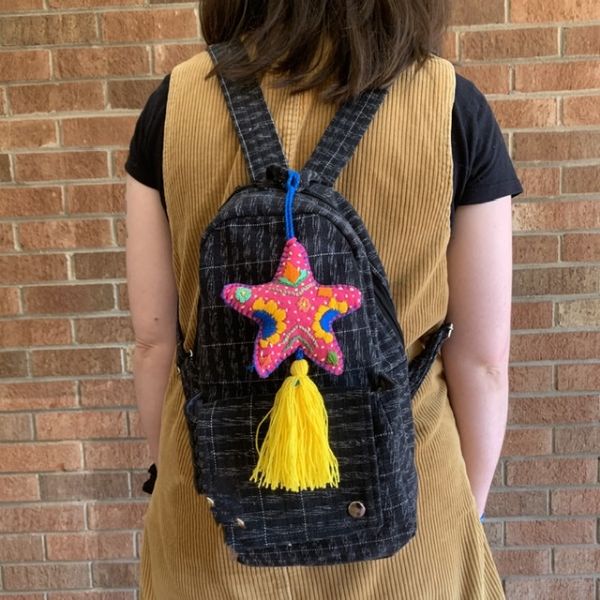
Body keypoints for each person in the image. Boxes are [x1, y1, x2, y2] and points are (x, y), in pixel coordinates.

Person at [125, 1, 522, 597]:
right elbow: (483, 362)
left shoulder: (172, 103)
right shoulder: (453, 107)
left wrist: (186, 474)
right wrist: (466, 506)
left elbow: (156, 342)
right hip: (410, 524)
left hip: (214, 525)